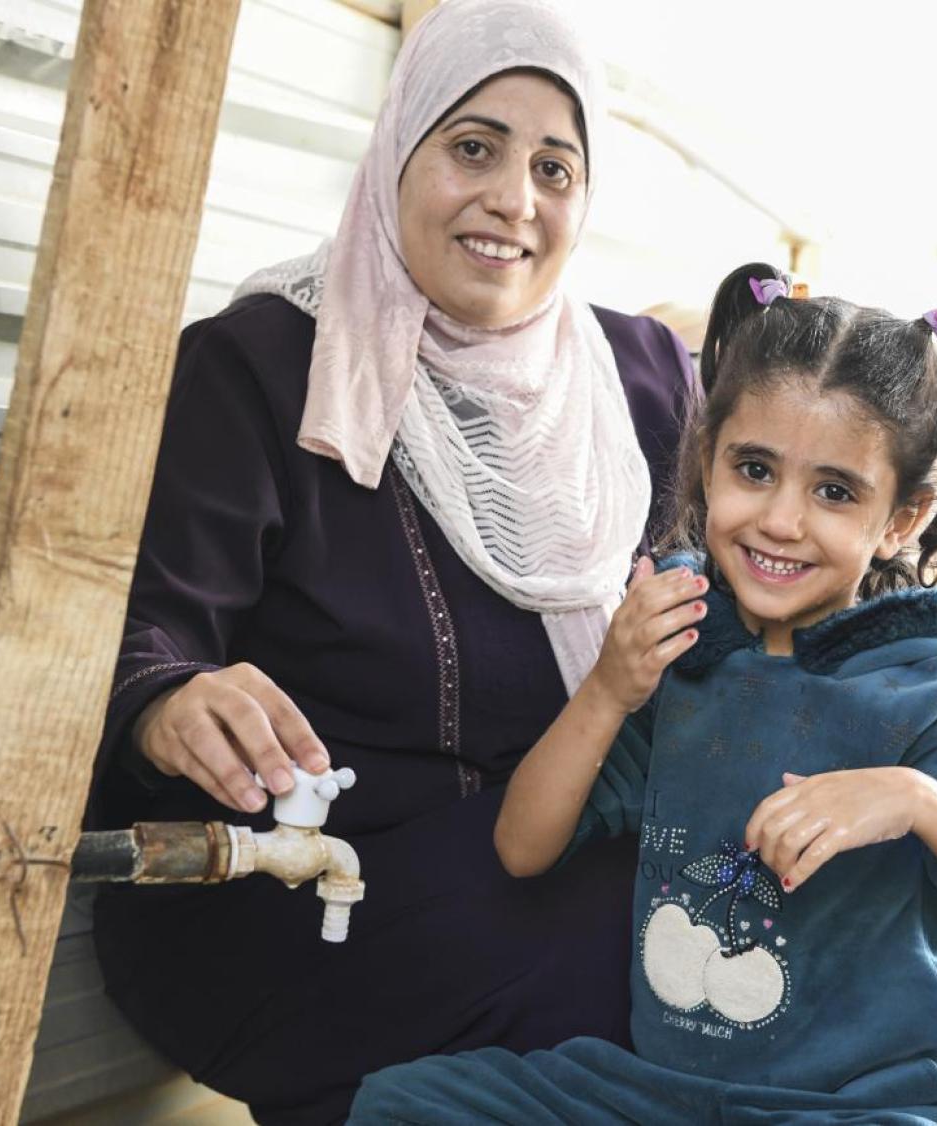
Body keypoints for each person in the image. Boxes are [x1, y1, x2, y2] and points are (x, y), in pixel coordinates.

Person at [84, 2, 697, 1121]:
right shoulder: (265, 365)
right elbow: (144, 623)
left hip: (548, 848)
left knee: (778, 952)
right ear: (396, 149)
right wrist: (170, 700)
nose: (513, 200)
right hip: (303, 890)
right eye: (472, 148)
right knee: (653, 986)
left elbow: (749, 562)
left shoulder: (638, 379)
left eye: (554, 168)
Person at [351, 263, 937, 1125]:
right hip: (665, 1097)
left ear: (900, 519)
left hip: (870, 1108)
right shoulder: (686, 663)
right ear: (708, 465)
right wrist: (607, 688)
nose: (781, 519)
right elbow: (523, 846)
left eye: (833, 492)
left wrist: (915, 800)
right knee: (407, 1104)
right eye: (754, 470)